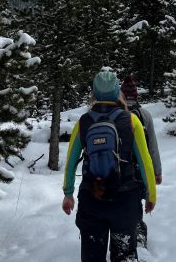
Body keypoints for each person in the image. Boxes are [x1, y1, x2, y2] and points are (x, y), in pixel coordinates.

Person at [62, 69, 157, 262]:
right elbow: (145, 161)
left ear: (94, 94)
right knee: (124, 256)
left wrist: (68, 194)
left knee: (92, 257)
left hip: (92, 198)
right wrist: (150, 194)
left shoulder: (83, 122)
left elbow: (70, 162)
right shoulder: (132, 120)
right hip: (125, 199)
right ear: (117, 93)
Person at [121, 74, 162, 249]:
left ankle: (120, 237)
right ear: (136, 95)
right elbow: (152, 145)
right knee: (136, 204)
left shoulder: (117, 114)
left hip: (119, 169)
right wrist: (157, 172)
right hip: (139, 170)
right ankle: (137, 237)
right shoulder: (144, 115)